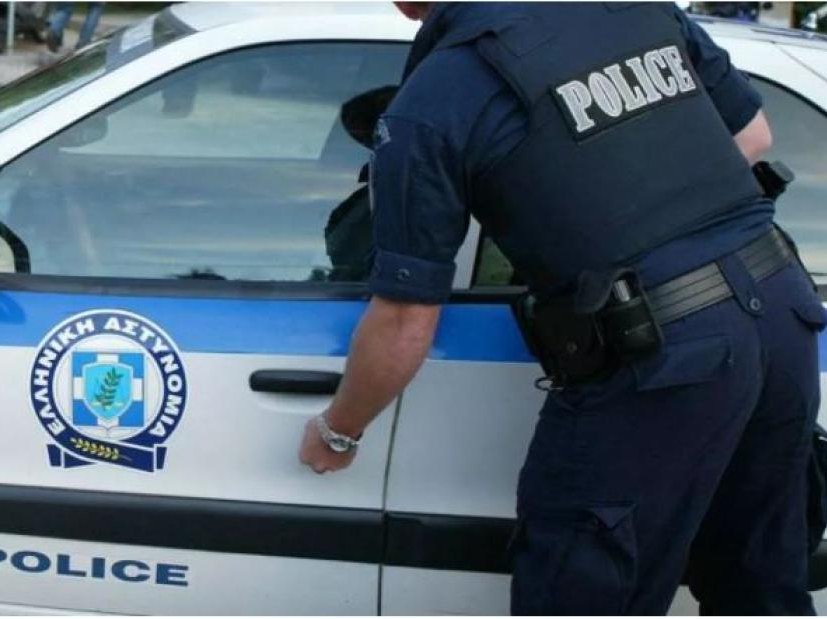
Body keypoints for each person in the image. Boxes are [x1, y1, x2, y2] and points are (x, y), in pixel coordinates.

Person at [297, 2, 825, 615]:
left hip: (659, 352)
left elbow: (404, 320)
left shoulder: (436, 97)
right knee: (758, 586)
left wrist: (337, 432)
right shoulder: (630, 6)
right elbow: (754, 136)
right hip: (783, 312)